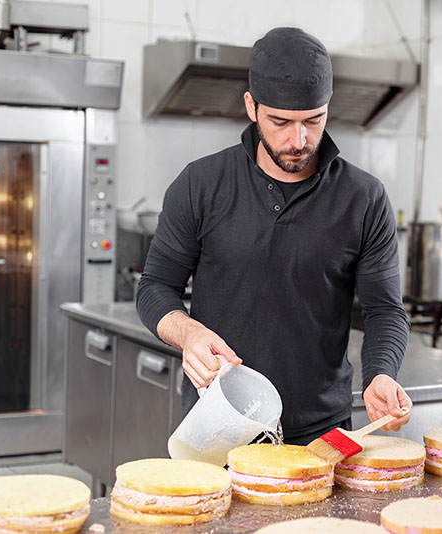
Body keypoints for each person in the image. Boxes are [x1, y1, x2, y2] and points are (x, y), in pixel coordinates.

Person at [136, 27, 412, 445]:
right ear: (252, 106)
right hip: (220, 421)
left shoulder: (363, 197)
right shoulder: (201, 184)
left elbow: (385, 310)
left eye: (312, 120)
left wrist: (381, 374)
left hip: (323, 431)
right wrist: (188, 332)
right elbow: (155, 287)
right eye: (281, 122)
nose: (298, 140)